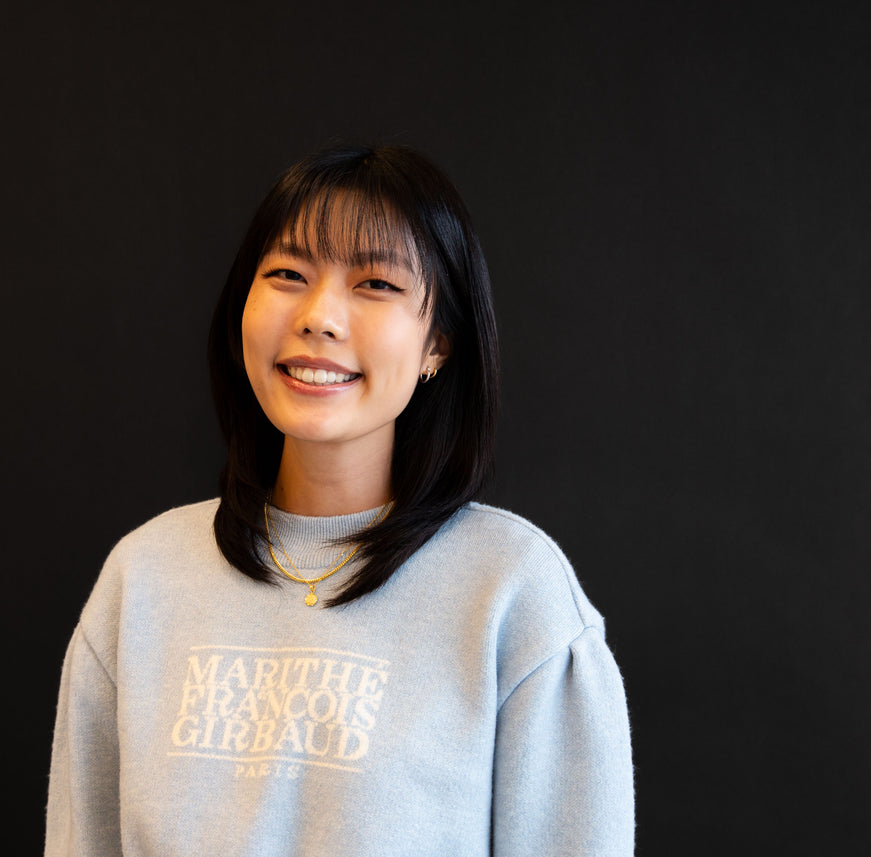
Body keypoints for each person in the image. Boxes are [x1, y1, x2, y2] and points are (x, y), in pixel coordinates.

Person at [45, 144, 634, 856]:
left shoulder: (513, 596)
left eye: (376, 284)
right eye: (288, 274)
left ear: (438, 341)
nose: (319, 315)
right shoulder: (142, 580)